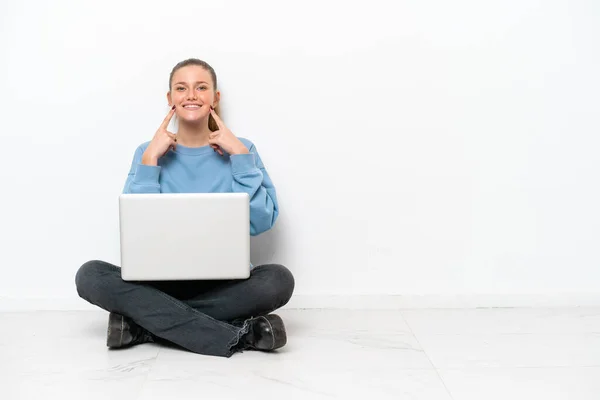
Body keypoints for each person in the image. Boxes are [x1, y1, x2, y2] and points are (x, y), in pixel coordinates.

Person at [75, 58, 294, 358]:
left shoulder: (243, 149)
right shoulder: (147, 152)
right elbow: (138, 230)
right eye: (182, 88)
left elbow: (261, 222)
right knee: (90, 275)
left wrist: (240, 157)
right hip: (160, 285)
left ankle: (144, 325)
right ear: (170, 99)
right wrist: (150, 161)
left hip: (225, 285)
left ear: (215, 98)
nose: (191, 95)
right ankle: (239, 335)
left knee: (278, 280)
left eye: (201, 87)